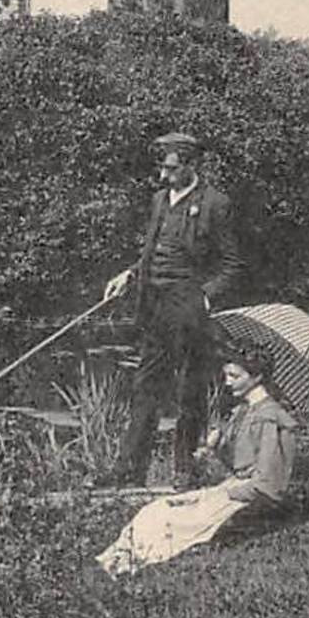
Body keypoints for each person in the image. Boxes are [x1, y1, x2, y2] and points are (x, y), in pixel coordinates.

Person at [99, 132, 241, 489]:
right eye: (162, 167)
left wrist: (206, 297)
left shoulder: (215, 204)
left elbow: (232, 264)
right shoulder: (159, 200)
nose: (164, 175)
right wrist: (130, 274)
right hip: (155, 308)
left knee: (189, 390)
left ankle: (183, 469)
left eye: (172, 168)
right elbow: (153, 250)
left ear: (192, 165)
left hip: (190, 309)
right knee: (146, 385)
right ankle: (129, 470)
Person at [94, 344, 299, 577]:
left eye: (234, 376)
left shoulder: (270, 418)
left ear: (258, 377)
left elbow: (268, 484)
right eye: (226, 375)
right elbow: (241, 464)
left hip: (252, 498)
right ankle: (123, 559)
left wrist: (221, 495)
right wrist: (217, 447)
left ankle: (131, 562)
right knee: (158, 509)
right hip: (235, 487)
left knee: (171, 516)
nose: (227, 382)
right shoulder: (245, 411)